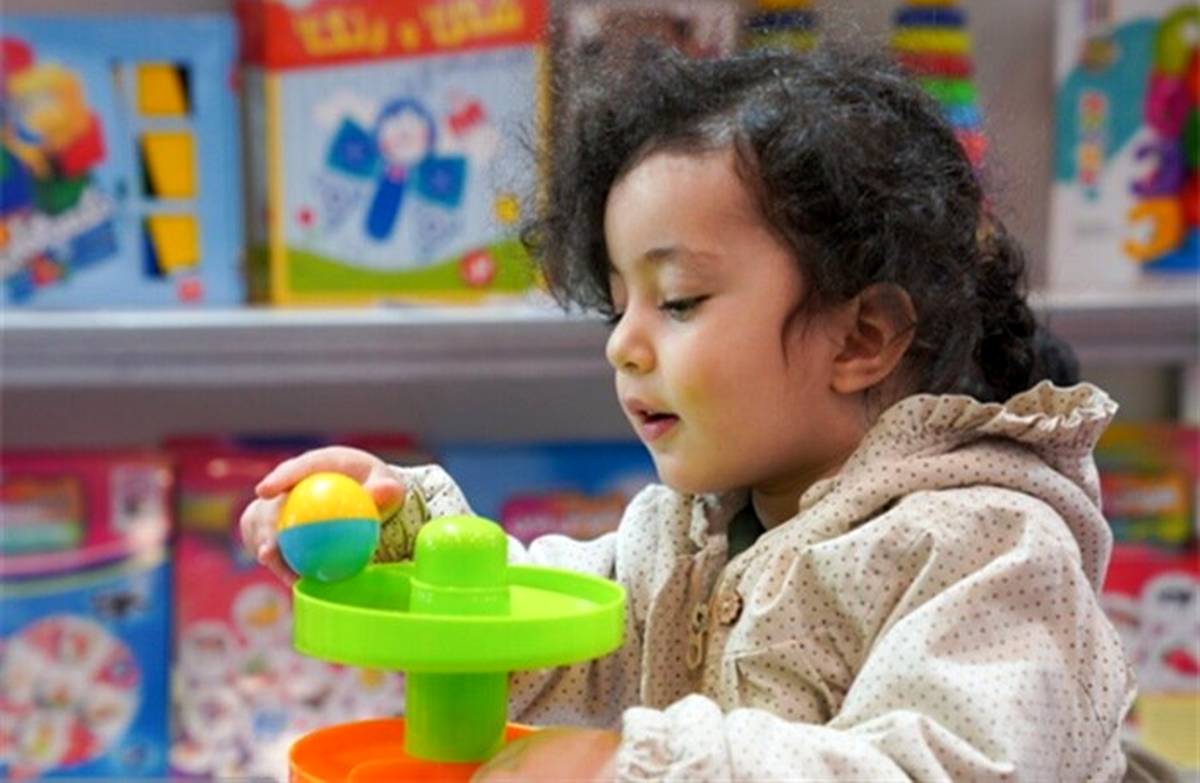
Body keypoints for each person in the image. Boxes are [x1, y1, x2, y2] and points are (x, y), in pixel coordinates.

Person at [240, 40, 1135, 781]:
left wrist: (634, 765)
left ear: (861, 336)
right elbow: (547, 635)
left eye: (677, 301)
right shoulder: (681, 535)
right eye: (616, 306)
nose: (622, 346)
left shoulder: (988, 551)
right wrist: (410, 543)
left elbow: (945, 768)